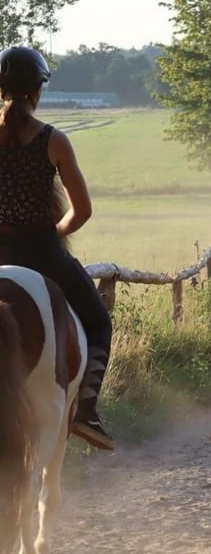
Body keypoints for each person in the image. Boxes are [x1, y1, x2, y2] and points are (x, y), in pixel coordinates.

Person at [0, 45, 114, 450]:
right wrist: (55, 232)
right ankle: (85, 410)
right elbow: (81, 211)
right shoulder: (53, 141)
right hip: (43, 251)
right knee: (99, 322)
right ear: (37, 91)